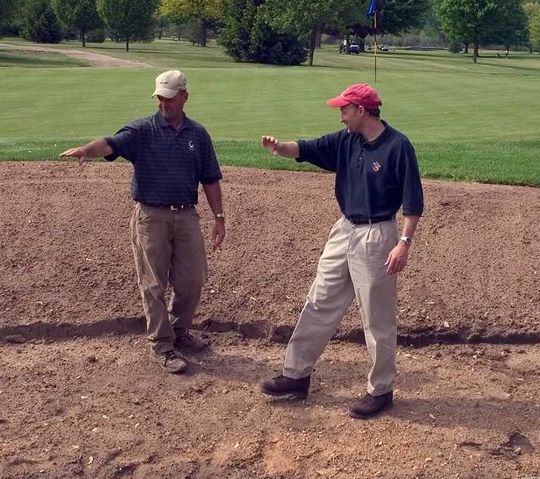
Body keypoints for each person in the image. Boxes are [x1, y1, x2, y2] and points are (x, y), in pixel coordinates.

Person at [259, 83, 424, 418]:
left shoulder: (398, 146)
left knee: (376, 317)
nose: (340, 114)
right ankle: (296, 375)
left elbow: (413, 203)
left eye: (345, 109)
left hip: (379, 234)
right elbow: (305, 148)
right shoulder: (345, 140)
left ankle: (381, 390)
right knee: (319, 301)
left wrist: (403, 244)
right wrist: (279, 147)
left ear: (361, 111)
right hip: (344, 229)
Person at [61, 69, 226, 374]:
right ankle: (162, 345)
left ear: (184, 97)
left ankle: (179, 332)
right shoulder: (142, 130)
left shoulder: (198, 135)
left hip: (187, 214)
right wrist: (87, 150)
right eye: (159, 97)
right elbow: (112, 143)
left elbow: (211, 179)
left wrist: (219, 217)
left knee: (192, 281)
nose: (164, 103)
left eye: (169, 97)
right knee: (153, 283)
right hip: (151, 216)